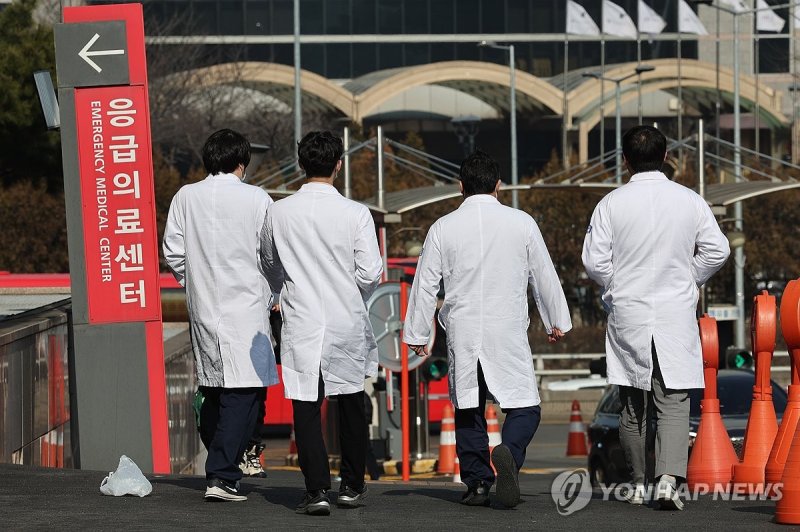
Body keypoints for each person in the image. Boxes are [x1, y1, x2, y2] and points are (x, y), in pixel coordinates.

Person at [403, 150, 572, 508]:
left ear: (460, 187)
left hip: (463, 328)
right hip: (506, 326)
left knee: (468, 406)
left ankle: (477, 483)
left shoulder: (442, 227)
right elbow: (542, 273)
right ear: (499, 185)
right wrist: (556, 319)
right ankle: (508, 451)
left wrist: (418, 334)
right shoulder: (522, 222)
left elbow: (425, 285)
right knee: (525, 405)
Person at [582, 125, 730, 510]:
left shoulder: (611, 204)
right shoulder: (689, 200)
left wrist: (618, 285)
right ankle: (667, 480)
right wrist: (688, 277)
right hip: (674, 313)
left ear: (625, 160)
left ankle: (636, 483)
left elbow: (594, 262)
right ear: (666, 158)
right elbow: (717, 251)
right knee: (674, 401)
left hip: (628, 312)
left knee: (633, 401)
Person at [260, 130, 383, 516]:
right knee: (350, 403)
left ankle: (315, 491)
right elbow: (371, 272)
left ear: (301, 164)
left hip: (303, 319)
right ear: (339, 164)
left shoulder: (279, 211)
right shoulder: (355, 213)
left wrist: (284, 287)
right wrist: (352, 288)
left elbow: (267, 260)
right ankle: (351, 484)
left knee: (307, 406)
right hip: (345, 318)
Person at [163, 128, 279, 502]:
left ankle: (220, 466)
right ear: (241, 163)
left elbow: (173, 252)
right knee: (243, 391)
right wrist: (274, 289)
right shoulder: (257, 199)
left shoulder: (185, 196)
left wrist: (193, 281)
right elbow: (271, 254)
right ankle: (221, 474)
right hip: (245, 305)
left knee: (213, 387)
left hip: (203, 306)